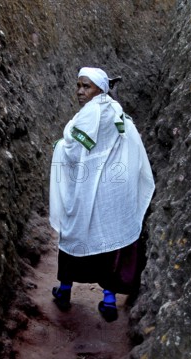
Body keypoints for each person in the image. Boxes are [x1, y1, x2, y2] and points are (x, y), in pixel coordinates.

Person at [49, 67, 155, 322]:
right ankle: (108, 299)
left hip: (86, 191)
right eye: (78, 86)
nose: (80, 92)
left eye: (86, 86)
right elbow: (131, 147)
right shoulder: (118, 113)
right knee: (108, 242)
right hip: (111, 193)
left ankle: (64, 291)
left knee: (74, 235)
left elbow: (74, 150)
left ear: (100, 89)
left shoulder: (89, 115)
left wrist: (60, 147)